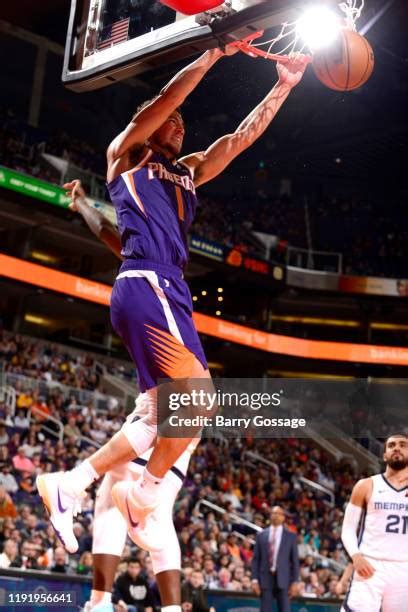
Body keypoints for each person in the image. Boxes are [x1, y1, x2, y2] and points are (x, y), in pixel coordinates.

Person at [36, 44, 309, 554]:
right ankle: (141, 497)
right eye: (172, 119)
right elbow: (164, 99)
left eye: (184, 120)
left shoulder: (186, 170)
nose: (179, 123)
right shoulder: (128, 153)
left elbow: (238, 139)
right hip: (148, 283)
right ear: (148, 122)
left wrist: (283, 86)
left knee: (166, 414)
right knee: (199, 400)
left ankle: (72, 483)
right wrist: (212, 53)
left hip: (165, 288)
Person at [63, 182, 197, 612]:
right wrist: (83, 203)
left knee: (146, 509)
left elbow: (108, 231)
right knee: (132, 505)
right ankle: (104, 601)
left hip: (172, 401)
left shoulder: (162, 247)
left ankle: (112, 600)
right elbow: (108, 231)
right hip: (160, 399)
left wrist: (85, 204)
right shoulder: (145, 249)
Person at [340, 433, 408, 612]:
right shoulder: (366, 485)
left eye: (403, 445)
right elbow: (347, 528)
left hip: (404, 569)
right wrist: (356, 556)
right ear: (384, 455)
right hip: (370, 565)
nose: (397, 448)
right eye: (391, 445)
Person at [251, 506, 300, 612]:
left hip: (284, 579)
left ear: (283, 517)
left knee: (285, 609)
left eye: (278, 513)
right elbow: (256, 560)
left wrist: (295, 581)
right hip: (265, 578)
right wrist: (254, 580)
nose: (276, 515)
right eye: (273, 513)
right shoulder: (261, 535)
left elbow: (294, 561)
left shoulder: (291, 536)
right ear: (270, 515)